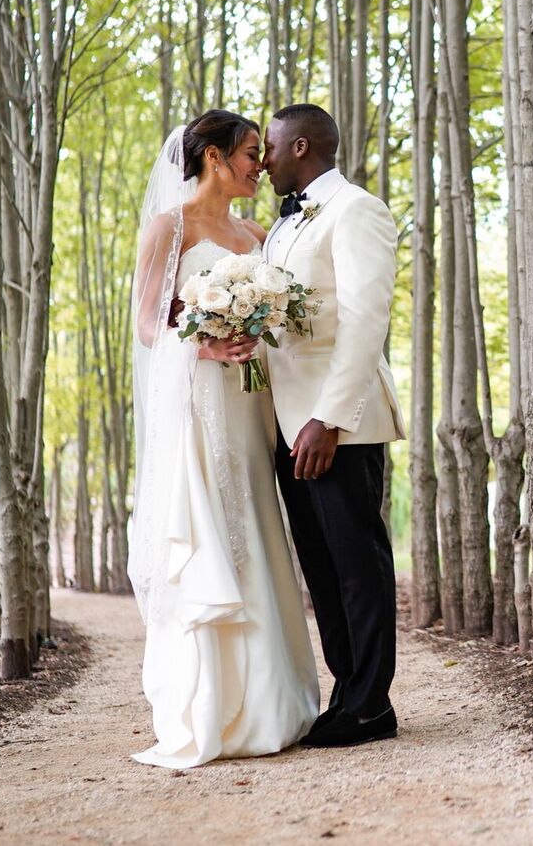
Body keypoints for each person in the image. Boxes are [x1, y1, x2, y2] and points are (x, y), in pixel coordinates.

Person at [127, 111, 320, 768]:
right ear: (211, 156)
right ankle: (214, 706)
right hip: (201, 397)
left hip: (253, 400)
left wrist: (253, 329)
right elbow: (151, 324)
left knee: (257, 518)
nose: (258, 165)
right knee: (214, 521)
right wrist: (202, 343)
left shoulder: (257, 235)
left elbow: (278, 319)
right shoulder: (169, 228)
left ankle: (275, 698)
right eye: (246, 153)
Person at [260, 102, 405, 748]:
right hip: (286, 423)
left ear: (299, 146)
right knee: (321, 566)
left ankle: (372, 704)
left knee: (357, 564)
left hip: (337, 423)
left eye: (268, 146)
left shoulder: (355, 209)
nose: (260, 159)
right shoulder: (281, 225)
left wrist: (327, 418)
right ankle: (349, 691)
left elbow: (365, 319)